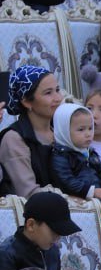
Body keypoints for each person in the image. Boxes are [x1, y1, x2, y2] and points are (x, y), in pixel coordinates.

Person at [0, 190, 88, 270]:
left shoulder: (52, 250)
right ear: (31, 225)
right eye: (54, 231)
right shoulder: (7, 254)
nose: (58, 238)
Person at [0, 65, 63, 198]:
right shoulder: (14, 138)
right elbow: (28, 193)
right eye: (48, 93)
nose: (58, 98)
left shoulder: (62, 132)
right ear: (27, 102)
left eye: (57, 90)